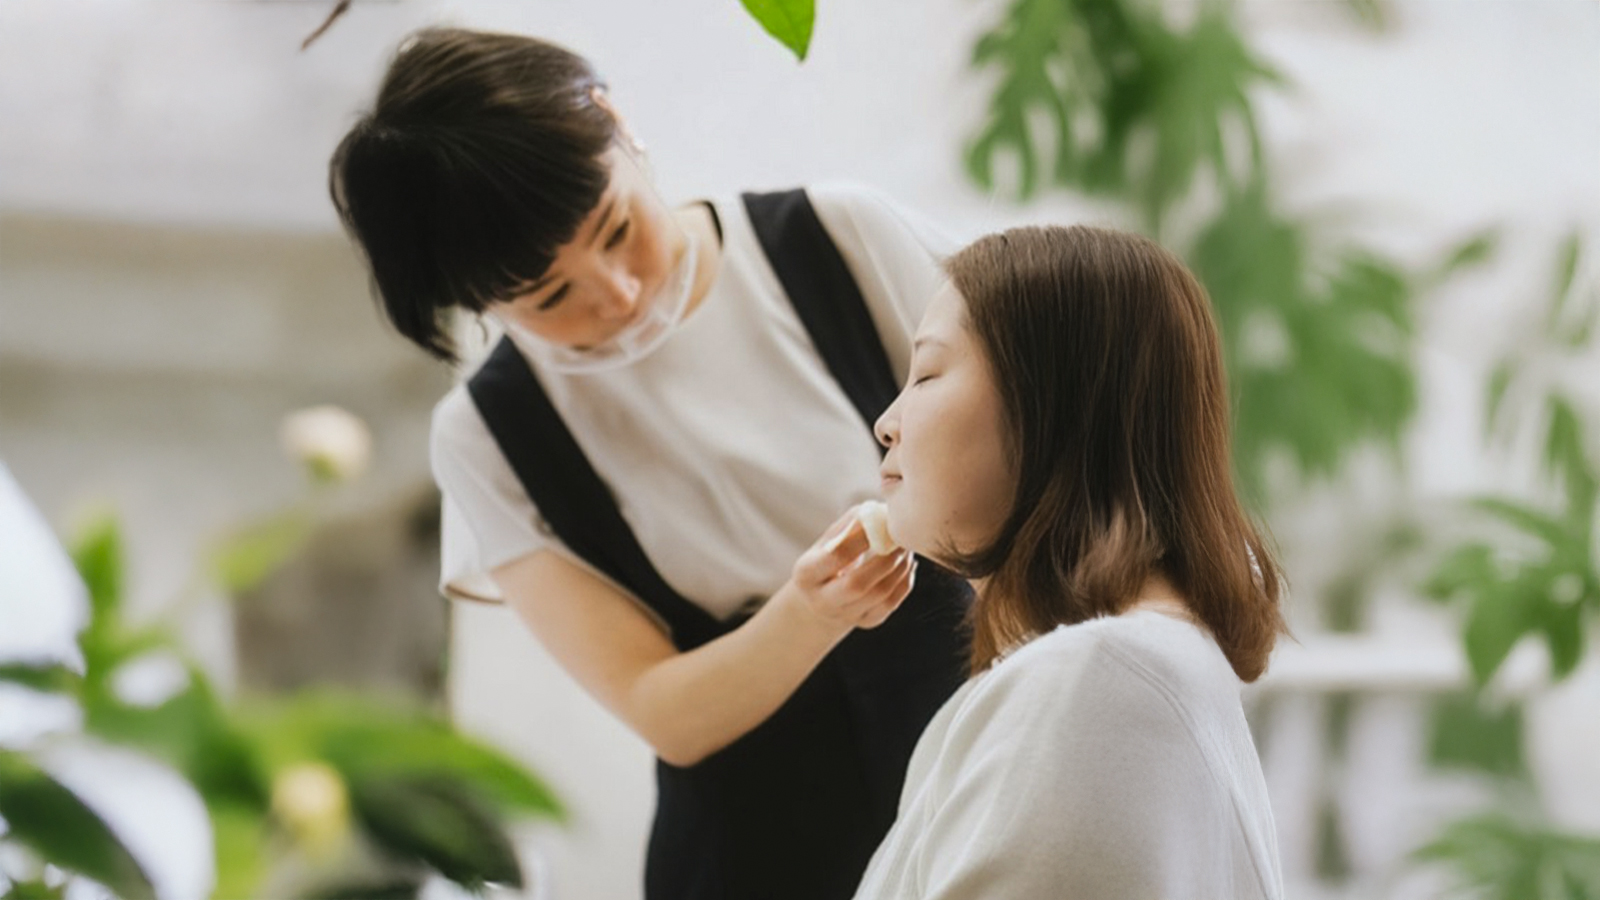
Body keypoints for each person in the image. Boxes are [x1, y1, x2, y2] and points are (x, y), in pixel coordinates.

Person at [327, 27, 972, 900]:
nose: (616, 292)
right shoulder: (488, 435)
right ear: (481, 305)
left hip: (974, 757)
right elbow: (663, 709)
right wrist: (811, 612)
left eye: (616, 227)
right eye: (550, 296)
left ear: (618, 122)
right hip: (755, 847)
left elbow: (1051, 451)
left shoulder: (837, 238)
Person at [853, 225, 1288, 899]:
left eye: (928, 373)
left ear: (1049, 403)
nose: (888, 421)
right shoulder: (1124, 669)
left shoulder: (1093, 684)